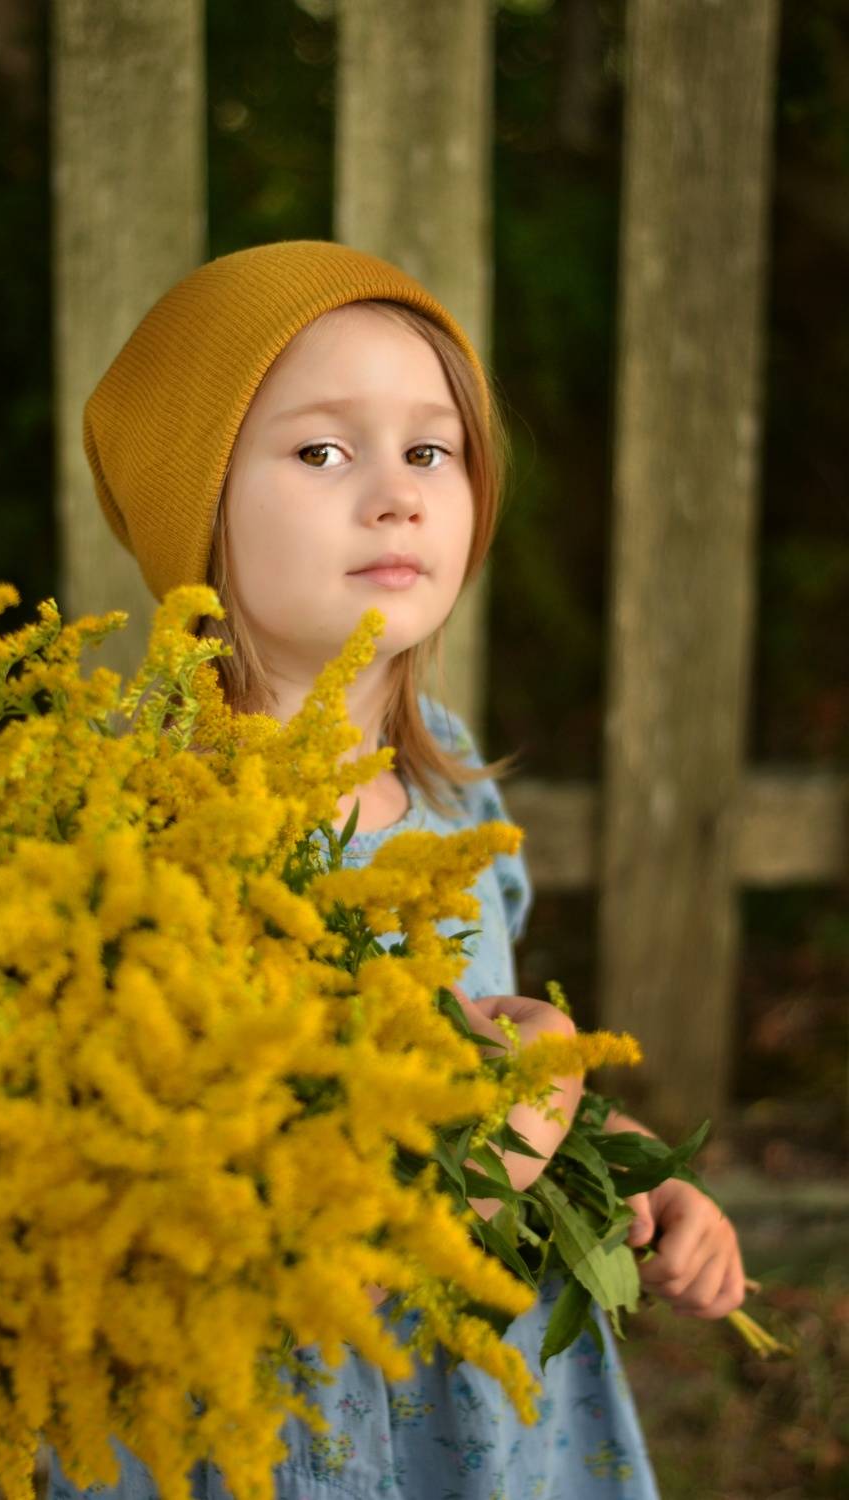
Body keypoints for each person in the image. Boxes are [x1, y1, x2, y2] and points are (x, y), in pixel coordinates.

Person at [48, 240, 745, 1500]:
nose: (396, 496)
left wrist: (640, 1167)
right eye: (323, 452)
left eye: (431, 450)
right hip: (268, 1422)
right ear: (191, 502)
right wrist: (524, 1097)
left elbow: (490, 1040)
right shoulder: (145, 828)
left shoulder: (449, 792)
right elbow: (277, 1227)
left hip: (477, 1413)